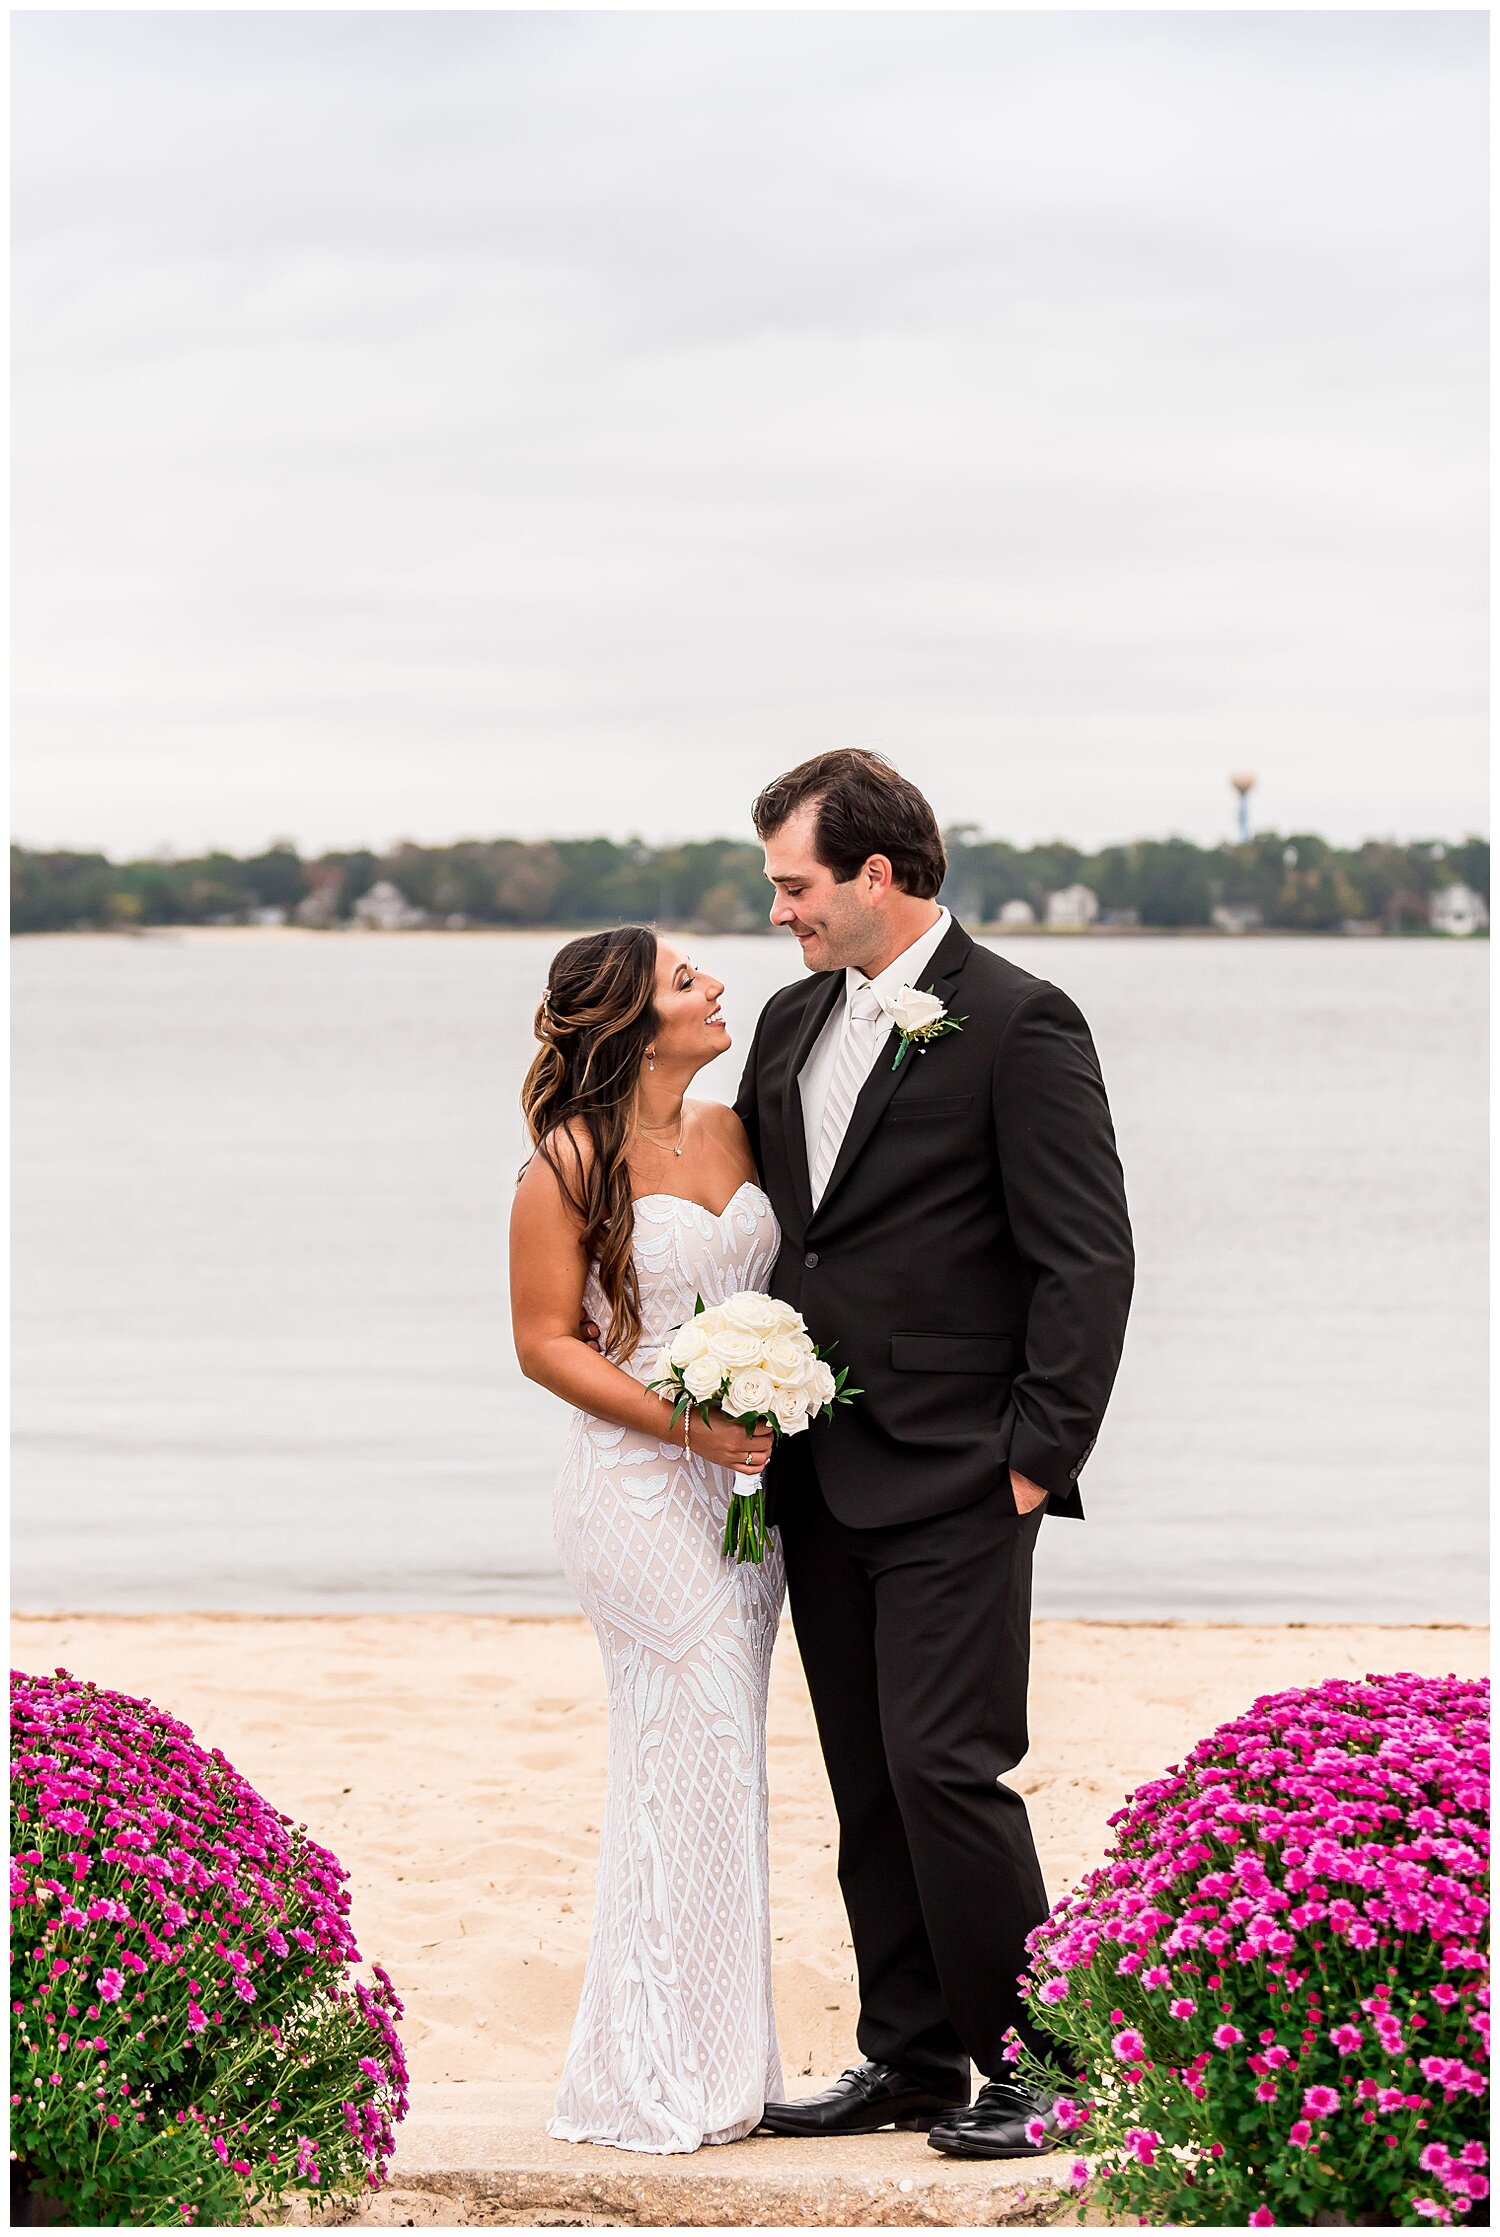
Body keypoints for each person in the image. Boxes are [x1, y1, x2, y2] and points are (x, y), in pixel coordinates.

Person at [734, 749, 1134, 2159]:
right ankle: (908, 2060)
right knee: (867, 1774)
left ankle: (1046, 2064)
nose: (779, 910)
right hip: (816, 1467)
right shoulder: (785, 1025)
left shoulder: (1022, 1021)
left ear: (878, 874)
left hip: (965, 1467)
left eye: (795, 885)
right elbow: (790, 1226)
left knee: (950, 1765)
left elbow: (1085, 1257)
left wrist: (1037, 1454)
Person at [509, 925, 785, 2154]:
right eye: (686, 979)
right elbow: (547, 1342)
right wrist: (687, 1423)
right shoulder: (566, 1162)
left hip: (747, 1497)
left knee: (721, 1764)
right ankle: (665, 2071)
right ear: (630, 1019)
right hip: (636, 1489)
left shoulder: (736, 1128)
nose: (717, 982)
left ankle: (715, 2055)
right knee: (695, 1747)